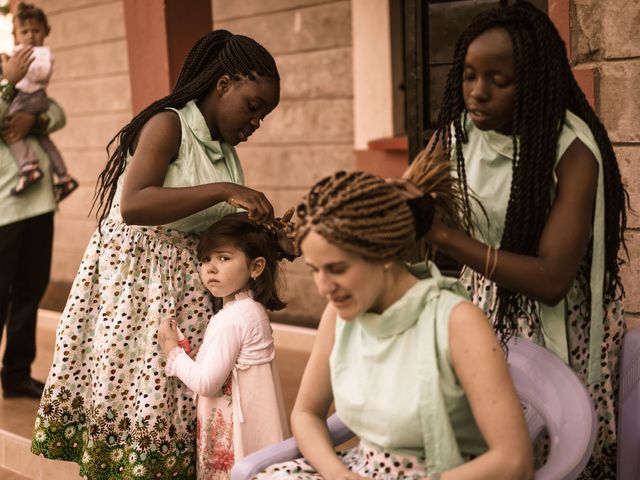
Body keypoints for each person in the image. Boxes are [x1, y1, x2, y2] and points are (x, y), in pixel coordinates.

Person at [32, 30, 282, 480]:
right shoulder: (168, 124)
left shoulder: (223, 152)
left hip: (184, 285)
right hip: (137, 287)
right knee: (140, 395)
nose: (256, 121)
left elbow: (211, 225)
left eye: (263, 114)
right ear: (223, 84)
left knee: (178, 400)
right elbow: (136, 203)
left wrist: (273, 238)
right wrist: (228, 190)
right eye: (253, 106)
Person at [403, 2, 628, 477]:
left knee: (557, 443)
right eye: (468, 76)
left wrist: (443, 235)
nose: (476, 93)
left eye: (498, 81)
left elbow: (550, 280)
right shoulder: (455, 136)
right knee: (491, 441)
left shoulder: (573, 150)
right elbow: (407, 201)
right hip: (484, 302)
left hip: (562, 317)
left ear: (533, 83)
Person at [258, 171, 533, 480]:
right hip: (360, 469)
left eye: (337, 268)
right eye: (315, 270)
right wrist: (339, 474)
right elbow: (307, 413)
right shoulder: (338, 316)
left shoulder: (457, 321)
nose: (323, 287)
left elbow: (514, 461)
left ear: (385, 253)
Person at [157, 212, 290, 479]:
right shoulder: (250, 309)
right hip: (256, 425)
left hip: (234, 433)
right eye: (206, 260)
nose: (211, 268)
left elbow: (207, 383)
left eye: (224, 258)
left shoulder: (231, 319)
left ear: (256, 267)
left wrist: (172, 351)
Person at [0, 44, 66, 399]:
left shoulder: (26, 91)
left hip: (39, 206)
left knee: (30, 291)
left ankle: (16, 375)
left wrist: (33, 119)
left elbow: (56, 113)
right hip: (4, 211)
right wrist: (7, 85)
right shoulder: (9, 87)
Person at [8, 2, 78, 201]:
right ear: (16, 34)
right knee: (44, 140)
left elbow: (40, 74)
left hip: (29, 98)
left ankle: (28, 166)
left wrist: (12, 72)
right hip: (30, 98)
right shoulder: (21, 50)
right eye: (25, 31)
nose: (30, 35)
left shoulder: (42, 52)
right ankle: (63, 176)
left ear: (46, 32)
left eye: (36, 30)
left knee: (11, 130)